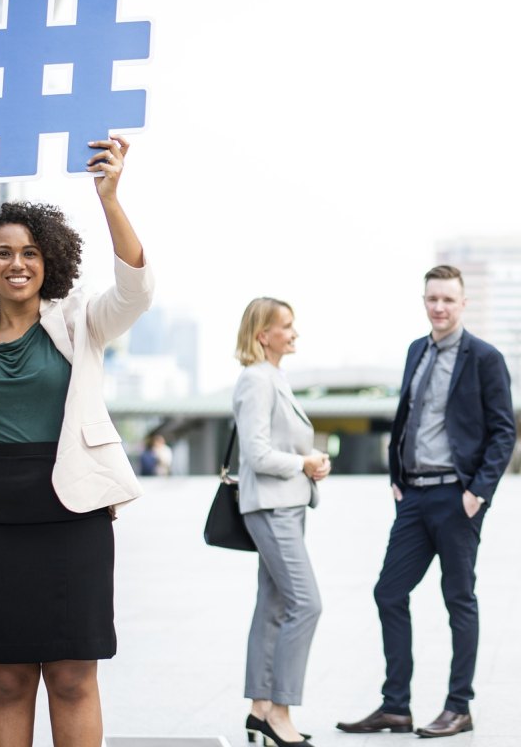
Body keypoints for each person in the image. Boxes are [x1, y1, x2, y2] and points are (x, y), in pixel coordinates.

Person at [0, 135, 154, 747]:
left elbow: (136, 291)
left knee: (75, 674)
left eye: (30, 252)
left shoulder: (80, 321)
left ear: (48, 260)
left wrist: (109, 198)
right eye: (3, 253)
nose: (18, 264)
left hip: (71, 515)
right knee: (6, 679)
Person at [336, 265, 516, 738]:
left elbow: (503, 431)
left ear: (462, 304)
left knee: (458, 599)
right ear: (424, 301)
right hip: (413, 498)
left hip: (457, 499)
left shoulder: (485, 358)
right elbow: (408, 417)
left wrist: (478, 493)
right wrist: (397, 478)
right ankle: (395, 706)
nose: (439, 307)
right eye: (432, 299)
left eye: (448, 300)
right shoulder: (416, 350)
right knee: (389, 592)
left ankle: (459, 706)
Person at [233, 297, 331, 747]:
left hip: (284, 505)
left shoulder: (275, 377)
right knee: (306, 604)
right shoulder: (256, 380)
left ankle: (258, 710)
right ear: (262, 335)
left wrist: (306, 465)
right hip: (271, 507)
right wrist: (304, 462)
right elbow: (255, 454)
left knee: (273, 605)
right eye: (286, 326)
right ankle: (280, 713)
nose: (294, 333)